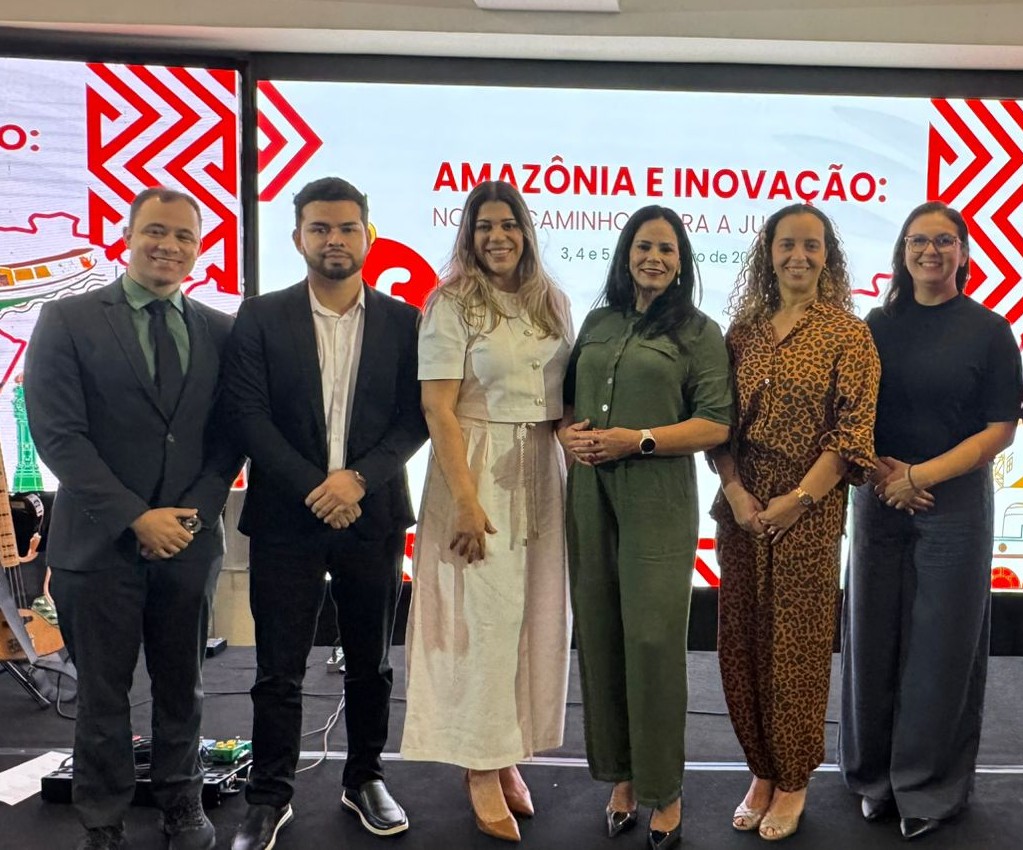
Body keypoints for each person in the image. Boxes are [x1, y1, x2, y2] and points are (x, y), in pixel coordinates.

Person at [25, 187, 240, 850]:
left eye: (184, 236)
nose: (168, 246)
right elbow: (58, 436)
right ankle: (103, 820)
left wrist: (188, 520)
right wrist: (136, 519)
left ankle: (182, 801)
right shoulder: (66, 319)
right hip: (96, 546)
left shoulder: (221, 331)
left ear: (199, 249)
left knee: (183, 686)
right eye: (156, 231)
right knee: (102, 695)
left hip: (188, 546)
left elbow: (229, 440)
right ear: (127, 236)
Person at [222, 177, 428, 850]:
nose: (334, 239)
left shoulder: (404, 320)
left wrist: (357, 482)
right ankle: (269, 794)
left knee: (372, 663)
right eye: (319, 228)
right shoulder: (260, 316)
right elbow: (247, 414)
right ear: (298, 238)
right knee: (278, 668)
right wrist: (320, 487)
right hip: (286, 517)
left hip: (373, 514)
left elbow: (414, 418)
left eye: (346, 228)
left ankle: (364, 777)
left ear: (368, 235)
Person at [837, 201, 1022, 841]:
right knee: (871, 639)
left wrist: (921, 476)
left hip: (953, 502)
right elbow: (851, 411)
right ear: (902, 251)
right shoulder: (875, 325)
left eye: (945, 241)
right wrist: (884, 475)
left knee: (943, 647)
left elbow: (1000, 428)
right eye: (919, 240)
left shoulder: (989, 330)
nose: (930, 251)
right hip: (878, 493)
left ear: (964, 253)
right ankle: (873, 779)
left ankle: (927, 787)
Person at [399, 181, 573, 843]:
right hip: (473, 469)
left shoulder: (551, 300)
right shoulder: (450, 302)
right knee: (483, 622)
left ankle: (504, 753)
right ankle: (477, 765)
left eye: (508, 225)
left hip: (541, 469)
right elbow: (437, 407)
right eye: (484, 226)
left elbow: (561, 399)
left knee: (530, 620)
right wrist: (466, 501)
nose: (497, 237)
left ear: (525, 231)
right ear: (468, 235)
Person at [560, 205, 732, 850]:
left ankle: (665, 788)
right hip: (590, 492)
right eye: (643, 246)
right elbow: (567, 401)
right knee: (601, 631)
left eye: (665, 248)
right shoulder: (598, 321)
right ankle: (623, 778)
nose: (653, 257)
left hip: (657, 495)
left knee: (654, 640)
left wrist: (640, 439)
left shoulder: (699, 332)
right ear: (626, 254)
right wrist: (568, 434)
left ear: (681, 261)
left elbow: (715, 423)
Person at [711, 203, 879, 842]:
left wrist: (799, 500)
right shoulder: (743, 332)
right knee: (742, 646)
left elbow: (852, 434)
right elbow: (718, 423)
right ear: (769, 253)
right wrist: (735, 491)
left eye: (811, 245)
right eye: (787, 244)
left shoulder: (848, 334)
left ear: (828, 255)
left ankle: (793, 779)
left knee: (797, 655)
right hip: (742, 512)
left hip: (807, 516)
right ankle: (760, 770)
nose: (798, 256)